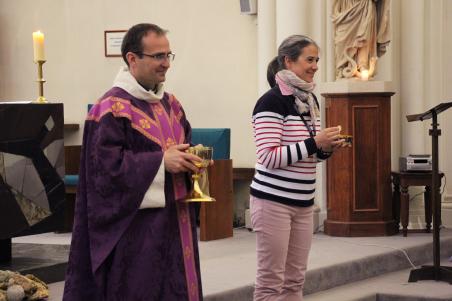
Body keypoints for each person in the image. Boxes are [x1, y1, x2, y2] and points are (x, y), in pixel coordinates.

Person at [63, 23, 204, 301]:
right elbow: (105, 174)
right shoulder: (112, 108)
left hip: (176, 222)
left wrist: (191, 161)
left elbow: (182, 145)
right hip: (136, 232)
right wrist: (161, 163)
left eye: (168, 55)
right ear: (132, 59)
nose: (166, 64)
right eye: (158, 57)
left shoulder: (172, 105)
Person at [250, 35, 344, 301]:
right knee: (271, 282)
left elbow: (307, 154)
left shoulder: (308, 99)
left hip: (303, 203)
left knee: (294, 281)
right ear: (288, 61)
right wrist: (316, 142)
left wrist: (326, 148)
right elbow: (268, 157)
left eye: (317, 60)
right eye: (309, 59)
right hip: (273, 203)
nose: (315, 66)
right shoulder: (271, 101)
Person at [332, 0, 390, 79]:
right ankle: (342, 68)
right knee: (341, 41)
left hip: (365, 7)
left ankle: (362, 66)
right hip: (346, 6)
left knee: (364, 39)